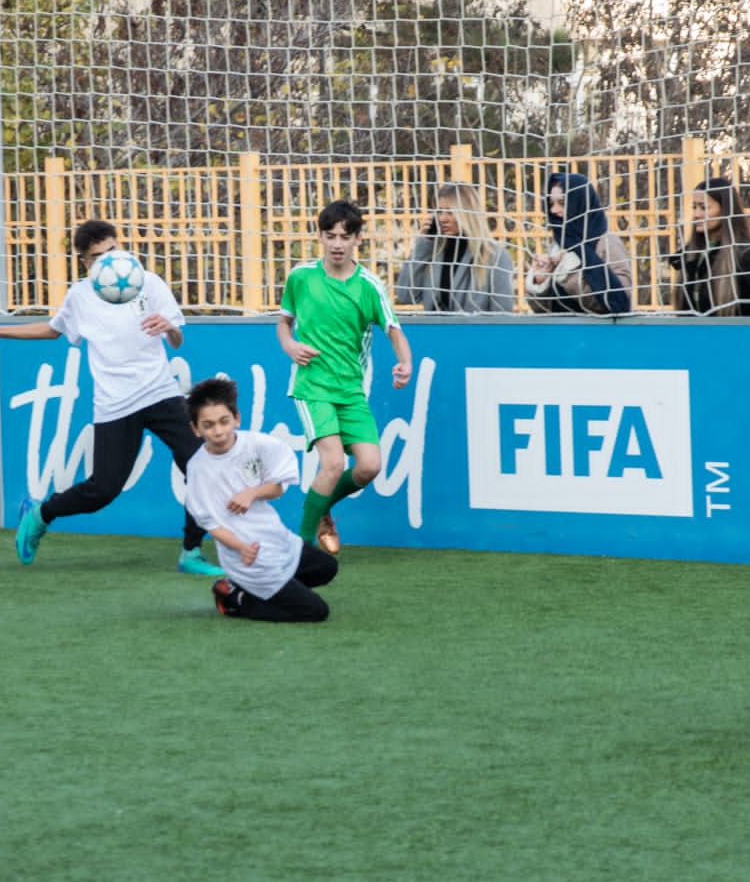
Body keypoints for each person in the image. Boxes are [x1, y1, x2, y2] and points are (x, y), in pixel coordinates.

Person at [0, 219, 225, 577]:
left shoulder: (149, 282)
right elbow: (53, 330)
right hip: (115, 404)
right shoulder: (81, 295)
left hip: (160, 393)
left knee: (200, 465)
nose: (108, 262)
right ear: (85, 263)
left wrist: (170, 327)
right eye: (97, 257)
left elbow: (177, 339)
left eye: (112, 251)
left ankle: (191, 552)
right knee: (103, 490)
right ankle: (41, 513)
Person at [278, 199, 413, 556]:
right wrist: (290, 346)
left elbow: (393, 329)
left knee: (369, 465)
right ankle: (301, 550)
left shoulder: (369, 285)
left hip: (351, 390)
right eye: (330, 235)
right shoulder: (301, 277)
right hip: (312, 386)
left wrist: (405, 364)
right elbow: (284, 322)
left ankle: (322, 509)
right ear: (319, 236)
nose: (337, 243)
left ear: (358, 240)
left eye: (345, 236)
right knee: (334, 462)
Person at [184, 376, 339, 622]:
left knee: (327, 568)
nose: (218, 431)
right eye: (208, 425)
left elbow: (277, 489)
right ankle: (235, 600)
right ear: (196, 429)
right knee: (316, 612)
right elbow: (210, 525)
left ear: (237, 418)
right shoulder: (198, 469)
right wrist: (242, 547)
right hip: (248, 557)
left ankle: (247, 590)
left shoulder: (259, 444)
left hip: (277, 540)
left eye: (224, 421)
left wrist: (252, 493)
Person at [394, 182, 515, 313]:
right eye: (439, 211)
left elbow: (502, 316)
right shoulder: (433, 251)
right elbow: (405, 295)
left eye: (450, 212)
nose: (443, 218)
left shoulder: (495, 256)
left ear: (468, 214)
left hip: (474, 333)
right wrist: (424, 245)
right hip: (436, 332)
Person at [525, 171, 633, 315]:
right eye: (551, 204)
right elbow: (544, 310)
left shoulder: (607, 243)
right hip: (562, 334)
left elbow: (618, 303)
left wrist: (568, 274)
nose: (554, 210)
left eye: (562, 203)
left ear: (580, 202)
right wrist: (541, 280)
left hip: (597, 335)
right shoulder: (560, 243)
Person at [666, 176, 750, 317]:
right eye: (694, 207)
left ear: (725, 210)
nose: (696, 214)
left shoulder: (747, 255)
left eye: (704, 208)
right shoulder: (690, 254)